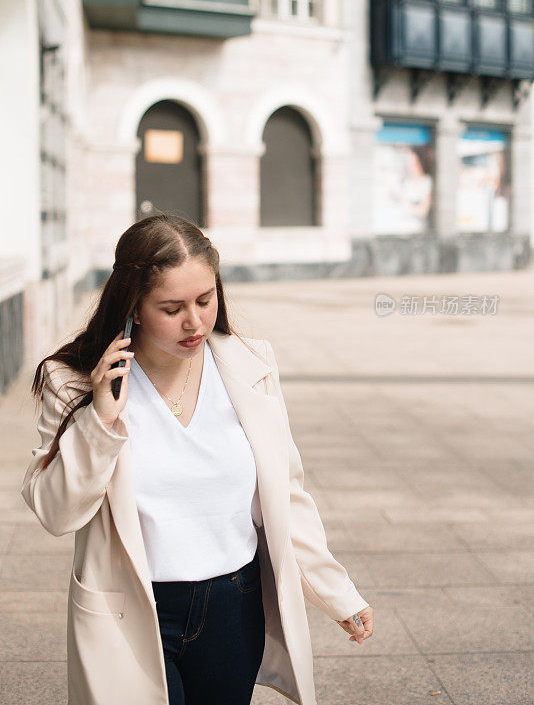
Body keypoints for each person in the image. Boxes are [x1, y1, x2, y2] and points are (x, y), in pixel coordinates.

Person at [21, 212, 374, 705]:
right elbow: (57, 513)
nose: (195, 322)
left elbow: (285, 497)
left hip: (234, 606)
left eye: (205, 300)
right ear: (134, 307)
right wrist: (100, 420)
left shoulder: (250, 363)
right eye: (172, 308)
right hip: (131, 609)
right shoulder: (73, 380)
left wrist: (337, 593)